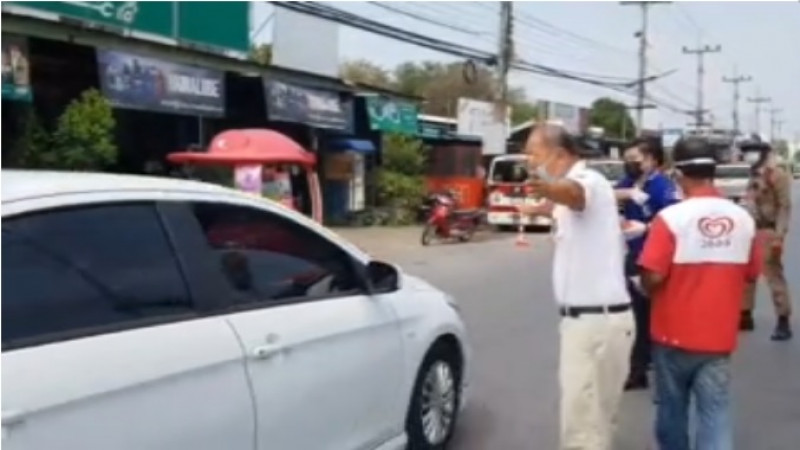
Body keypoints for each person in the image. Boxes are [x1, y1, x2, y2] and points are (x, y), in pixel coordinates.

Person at [638, 136, 761, 450]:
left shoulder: (671, 219)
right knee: (715, 414)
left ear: (678, 174)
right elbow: (750, 273)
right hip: (718, 340)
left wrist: (645, 285)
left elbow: (652, 275)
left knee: (672, 414)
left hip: (672, 338)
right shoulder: (743, 219)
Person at [518, 123, 634, 450]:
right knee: (593, 426)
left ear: (559, 154)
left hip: (594, 325)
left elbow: (573, 194)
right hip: (593, 323)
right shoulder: (571, 193)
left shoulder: (589, 181)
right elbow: (563, 203)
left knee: (583, 433)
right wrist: (542, 203)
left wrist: (548, 188)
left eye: (533, 153)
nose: (528, 160)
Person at [615, 136, 679, 390]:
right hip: (634, 255)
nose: (630, 164)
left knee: (657, 314)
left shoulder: (662, 186)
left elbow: (674, 218)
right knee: (635, 316)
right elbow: (610, 198)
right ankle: (638, 369)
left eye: (636, 160)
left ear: (652, 160)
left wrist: (648, 227)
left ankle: (657, 365)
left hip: (657, 258)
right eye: (627, 160)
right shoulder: (630, 182)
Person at [739, 137, 793, 340]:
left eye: (752, 150)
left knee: (772, 276)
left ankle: (783, 320)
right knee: (746, 273)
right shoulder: (753, 173)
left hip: (768, 231)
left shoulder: (775, 174)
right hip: (751, 229)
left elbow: (784, 206)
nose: (748, 154)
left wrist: (779, 236)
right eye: (746, 150)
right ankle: (745, 314)